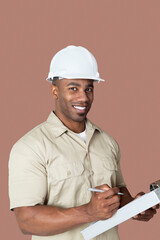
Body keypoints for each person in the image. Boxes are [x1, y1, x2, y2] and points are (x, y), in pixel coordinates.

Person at [9, 45, 159, 240]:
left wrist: (135, 207)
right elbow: (26, 220)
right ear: (54, 91)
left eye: (89, 88)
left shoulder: (107, 142)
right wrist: (88, 211)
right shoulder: (30, 147)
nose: (83, 97)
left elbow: (119, 192)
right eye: (73, 88)